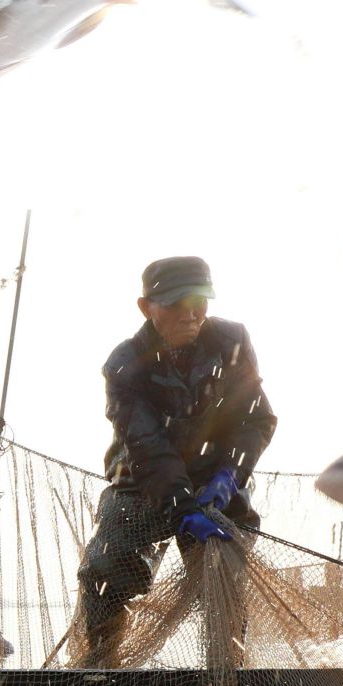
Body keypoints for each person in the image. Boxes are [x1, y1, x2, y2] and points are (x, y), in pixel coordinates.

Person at [76, 255, 277, 665]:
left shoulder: (231, 340)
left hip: (216, 479)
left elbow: (255, 417)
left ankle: (227, 669)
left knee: (225, 572)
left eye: (199, 303)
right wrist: (182, 505)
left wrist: (228, 475)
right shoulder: (125, 364)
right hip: (141, 481)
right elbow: (148, 446)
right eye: (175, 305)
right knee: (107, 570)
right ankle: (99, 666)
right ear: (146, 307)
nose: (190, 315)